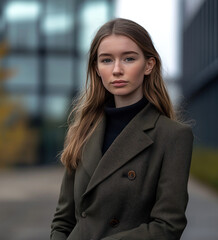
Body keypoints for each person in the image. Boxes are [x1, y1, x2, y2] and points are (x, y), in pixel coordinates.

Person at [50, 18, 193, 240]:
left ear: (148, 65)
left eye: (128, 58)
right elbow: (63, 220)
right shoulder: (82, 130)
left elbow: (168, 226)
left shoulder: (172, 135)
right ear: (96, 69)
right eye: (106, 60)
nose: (117, 70)